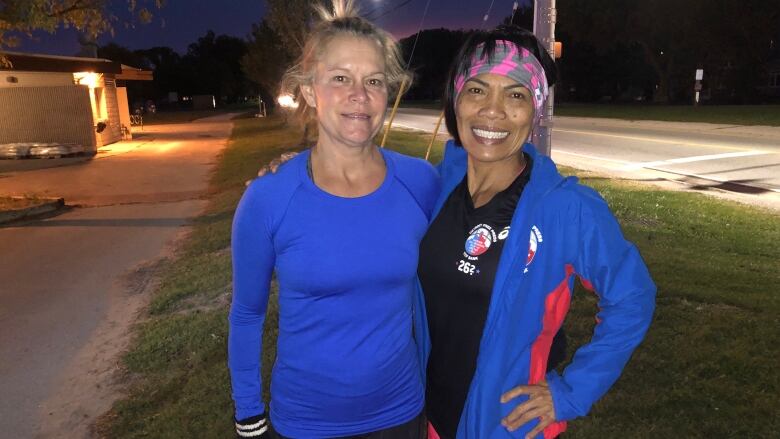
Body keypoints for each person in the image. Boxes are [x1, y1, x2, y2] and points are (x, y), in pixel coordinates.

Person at [417, 25, 656, 439]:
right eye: (476, 90)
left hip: (507, 426)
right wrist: (303, 169)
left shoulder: (564, 208)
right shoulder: (429, 188)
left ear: (537, 110)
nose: (492, 111)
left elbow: (633, 296)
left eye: (515, 94)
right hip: (424, 421)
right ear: (455, 99)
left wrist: (570, 392)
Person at [228, 1, 438, 438]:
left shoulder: (421, 183)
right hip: (306, 422)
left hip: (401, 414)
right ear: (309, 91)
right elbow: (248, 314)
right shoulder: (269, 198)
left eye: (374, 81)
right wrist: (249, 417)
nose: (358, 95)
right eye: (340, 78)